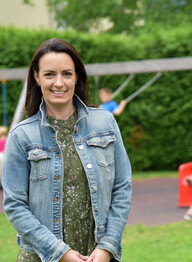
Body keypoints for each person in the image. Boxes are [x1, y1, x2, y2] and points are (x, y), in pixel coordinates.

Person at [2, 38, 132, 262]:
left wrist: (108, 246)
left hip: (98, 257)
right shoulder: (21, 136)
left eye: (67, 74)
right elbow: (15, 205)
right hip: (41, 257)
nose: (59, 83)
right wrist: (58, 252)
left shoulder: (106, 123)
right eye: (50, 74)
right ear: (36, 76)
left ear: (77, 76)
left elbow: (121, 187)